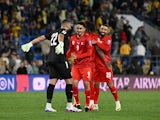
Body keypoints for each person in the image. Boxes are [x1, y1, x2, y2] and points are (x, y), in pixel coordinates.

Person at [21, 20, 81, 112]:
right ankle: (69, 105)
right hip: (60, 59)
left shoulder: (53, 32)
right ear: (67, 25)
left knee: (52, 82)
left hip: (50, 59)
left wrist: (30, 43)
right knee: (70, 81)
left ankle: (48, 105)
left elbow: (41, 37)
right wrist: (61, 44)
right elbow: (62, 35)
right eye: (70, 25)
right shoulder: (64, 31)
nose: (71, 27)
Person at [66, 21, 95, 112]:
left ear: (84, 29)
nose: (78, 30)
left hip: (86, 65)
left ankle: (87, 104)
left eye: (80, 28)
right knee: (74, 83)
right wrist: (66, 57)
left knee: (86, 84)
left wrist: (77, 56)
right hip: (76, 65)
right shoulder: (72, 38)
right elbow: (71, 49)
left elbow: (89, 53)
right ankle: (77, 103)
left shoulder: (88, 38)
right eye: (77, 28)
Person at [92, 24, 121, 111]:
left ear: (107, 31)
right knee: (96, 84)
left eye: (105, 29)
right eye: (102, 29)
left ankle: (117, 102)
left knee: (110, 84)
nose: (103, 31)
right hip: (96, 66)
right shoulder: (95, 36)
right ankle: (96, 104)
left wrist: (97, 42)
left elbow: (106, 48)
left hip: (105, 65)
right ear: (99, 29)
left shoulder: (108, 39)